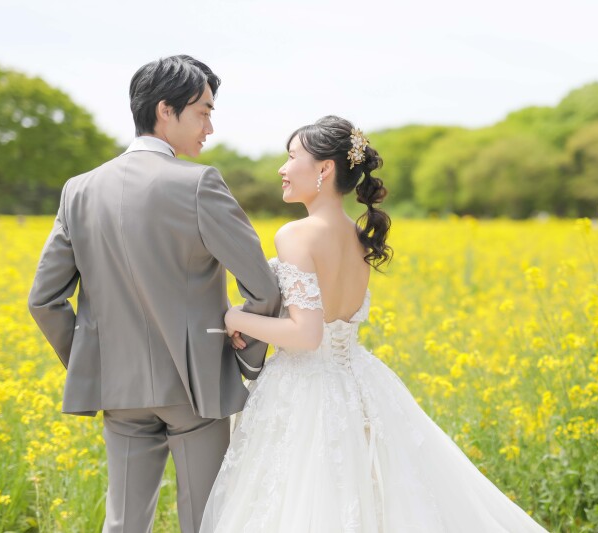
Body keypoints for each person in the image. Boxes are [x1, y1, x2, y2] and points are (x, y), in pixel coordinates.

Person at [200, 116, 549, 532]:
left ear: (325, 169)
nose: (282, 169)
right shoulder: (359, 235)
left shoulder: (297, 234)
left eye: (292, 157)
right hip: (359, 383)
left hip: (306, 388)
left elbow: (307, 335)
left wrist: (235, 317)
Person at [28, 55, 282, 533]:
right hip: (196, 390)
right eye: (204, 111)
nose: (210, 126)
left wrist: (95, 361)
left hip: (118, 390)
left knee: (123, 522)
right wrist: (245, 359)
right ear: (166, 110)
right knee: (206, 520)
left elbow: (43, 300)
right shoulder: (200, 184)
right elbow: (262, 288)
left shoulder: (78, 191)